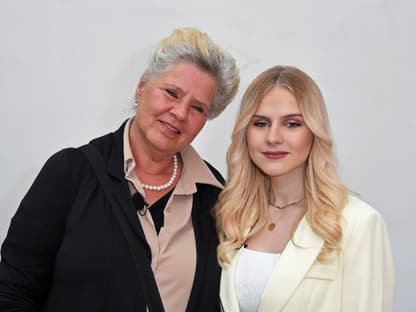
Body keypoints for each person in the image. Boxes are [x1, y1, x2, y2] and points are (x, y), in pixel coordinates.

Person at [0, 27, 239, 311]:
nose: (180, 113)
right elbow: (12, 292)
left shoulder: (215, 195)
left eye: (198, 107)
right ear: (141, 87)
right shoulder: (70, 173)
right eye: (172, 93)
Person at [215, 65, 394, 311]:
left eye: (292, 124)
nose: (273, 137)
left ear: (314, 131)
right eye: (261, 123)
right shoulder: (235, 216)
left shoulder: (358, 223)